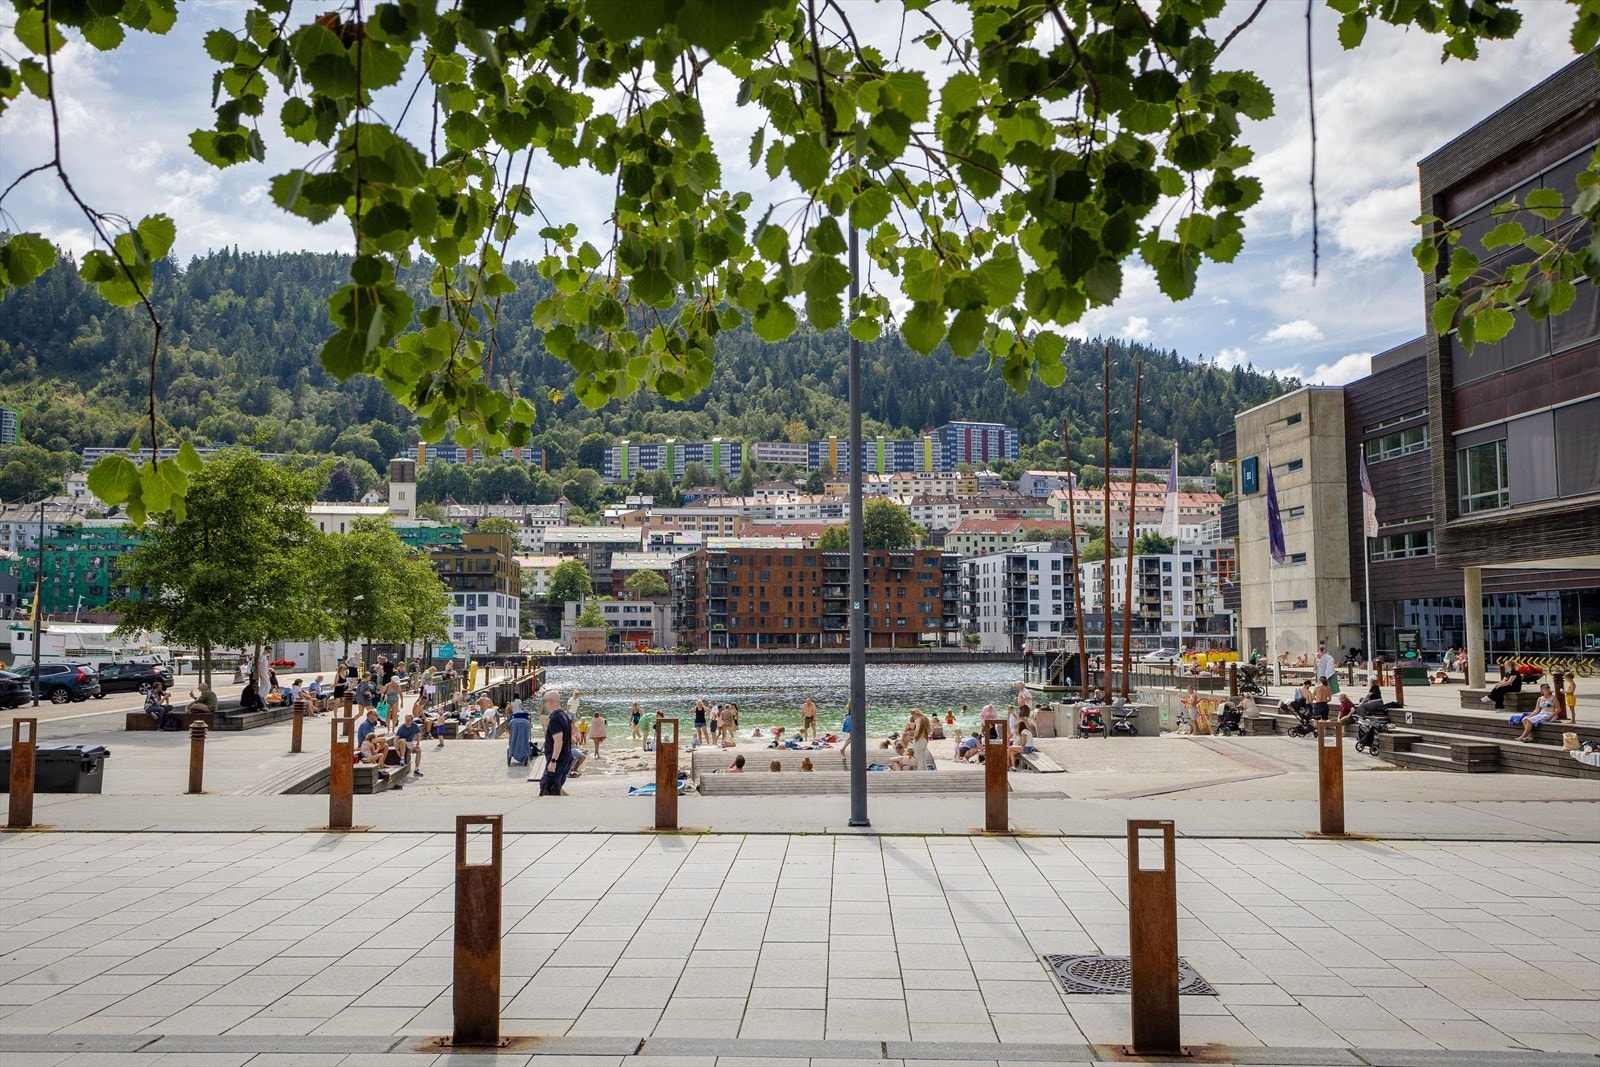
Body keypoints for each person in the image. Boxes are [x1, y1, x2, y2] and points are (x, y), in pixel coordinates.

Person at [538, 690, 574, 795]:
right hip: (566, 757)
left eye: (544, 701)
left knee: (547, 787)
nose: (544, 704)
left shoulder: (555, 718)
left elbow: (558, 741)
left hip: (558, 759)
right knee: (556, 787)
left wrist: (553, 761)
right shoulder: (564, 715)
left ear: (551, 701)